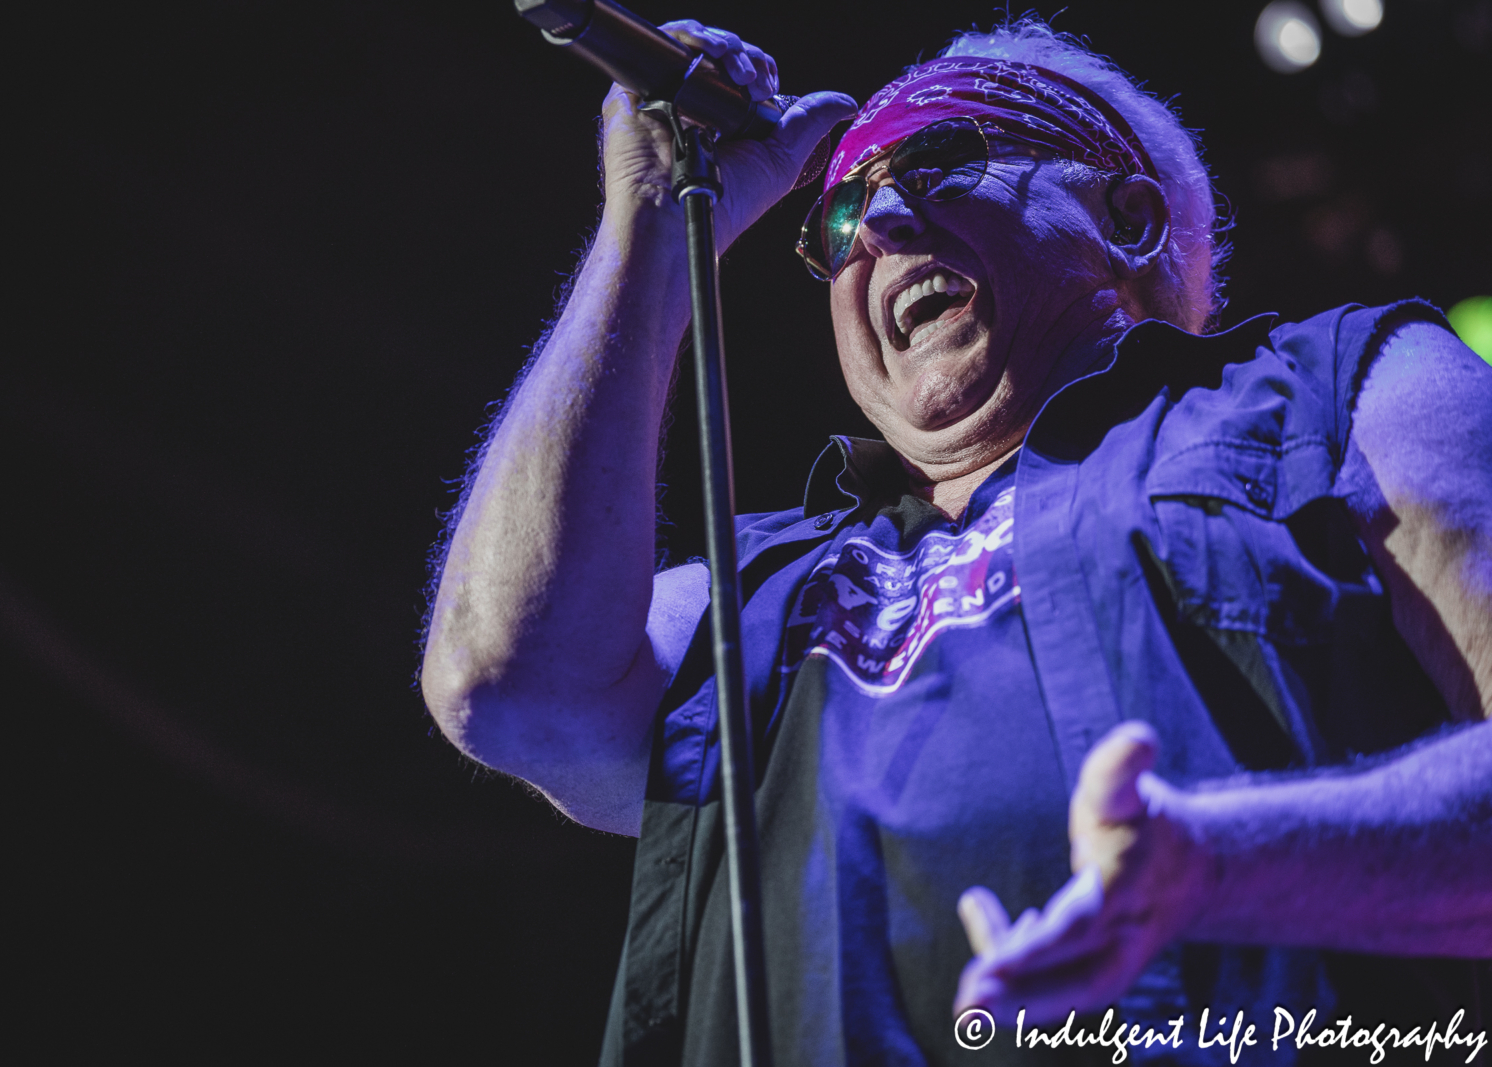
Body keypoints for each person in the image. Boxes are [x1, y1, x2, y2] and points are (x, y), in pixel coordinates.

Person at [418, 16, 1492, 1066]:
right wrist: (648, 226)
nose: (876, 225)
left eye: (936, 159)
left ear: (1125, 214)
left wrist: (1217, 865)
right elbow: (508, 684)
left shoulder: (1343, 386)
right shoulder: (763, 584)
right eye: (834, 224)